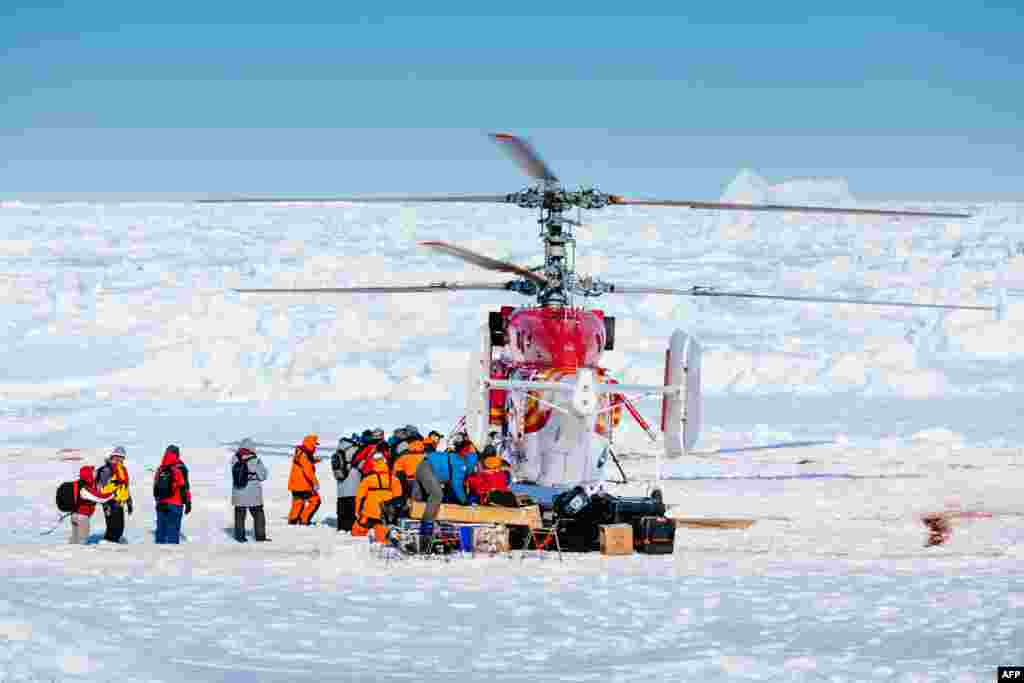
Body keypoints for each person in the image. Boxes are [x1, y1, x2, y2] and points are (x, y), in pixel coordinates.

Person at [352, 448, 402, 542]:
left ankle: (359, 550)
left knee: (357, 533)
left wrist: (357, 512)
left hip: (368, 513)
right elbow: (398, 499)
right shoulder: (394, 480)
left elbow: (359, 497)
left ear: (373, 464)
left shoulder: (367, 479)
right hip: (385, 514)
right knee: (383, 534)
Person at [231, 439, 269, 542]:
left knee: (239, 517)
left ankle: (239, 537)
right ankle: (260, 537)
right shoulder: (255, 460)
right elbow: (263, 476)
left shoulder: (234, 459)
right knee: (258, 515)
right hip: (253, 493)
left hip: (238, 492)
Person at [154, 445, 191, 544]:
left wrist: (158, 501)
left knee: (161, 531)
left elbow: (155, 488)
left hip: (161, 504)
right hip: (176, 504)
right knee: (173, 532)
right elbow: (185, 487)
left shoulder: (161, 468)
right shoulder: (180, 468)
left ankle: (157, 556)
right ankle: (172, 556)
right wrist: (188, 502)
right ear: (177, 454)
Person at [69, 465, 114, 544]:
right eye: (93, 472)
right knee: (82, 541)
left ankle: (71, 553)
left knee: (75, 540)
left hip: (74, 515)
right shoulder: (85, 488)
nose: (95, 473)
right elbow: (100, 498)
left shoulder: (79, 484)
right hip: (82, 517)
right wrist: (113, 494)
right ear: (89, 474)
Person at [96, 445, 132, 543]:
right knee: (112, 528)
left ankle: (113, 546)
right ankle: (107, 546)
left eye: (122, 457)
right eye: (117, 456)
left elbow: (125, 487)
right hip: (110, 502)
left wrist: (129, 501)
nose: (120, 459)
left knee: (119, 527)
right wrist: (106, 504)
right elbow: (101, 487)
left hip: (119, 502)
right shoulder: (107, 469)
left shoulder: (122, 470)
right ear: (113, 456)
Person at [287, 434, 321, 525]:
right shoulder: (304, 455)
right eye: (315, 444)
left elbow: (304, 463)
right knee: (316, 500)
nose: (315, 447)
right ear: (310, 444)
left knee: (298, 503)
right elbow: (308, 470)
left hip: (295, 484)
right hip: (303, 485)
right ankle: (304, 520)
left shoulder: (300, 452)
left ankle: (293, 521)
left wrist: (314, 460)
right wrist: (315, 483)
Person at [331, 437, 362, 532]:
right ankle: (351, 527)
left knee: (342, 508)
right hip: (353, 483)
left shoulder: (339, 449)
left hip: (340, 484)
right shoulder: (354, 449)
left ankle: (341, 527)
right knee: (351, 509)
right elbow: (360, 464)